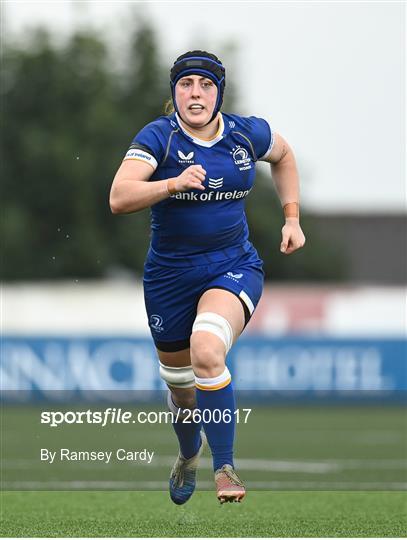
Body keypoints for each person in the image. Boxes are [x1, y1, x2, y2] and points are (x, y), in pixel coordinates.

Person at [109, 50, 305, 504]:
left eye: (205, 84)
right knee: (182, 392)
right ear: (173, 91)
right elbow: (119, 196)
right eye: (185, 84)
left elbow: (285, 153)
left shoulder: (245, 133)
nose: (194, 93)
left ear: (219, 92)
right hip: (169, 278)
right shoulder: (158, 137)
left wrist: (291, 217)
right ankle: (187, 453)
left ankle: (226, 468)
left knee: (207, 350)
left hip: (231, 265)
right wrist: (171, 183)